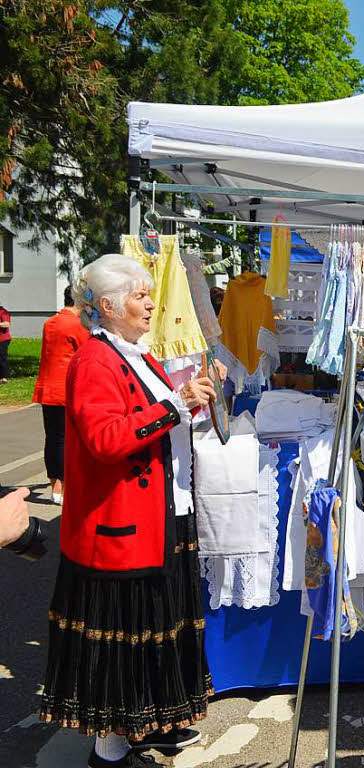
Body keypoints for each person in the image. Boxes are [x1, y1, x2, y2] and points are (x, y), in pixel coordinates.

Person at [38, 254, 223, 768]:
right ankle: (110, 750)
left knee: (156, 631)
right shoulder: (94, 361)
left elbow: (157, 420)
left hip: (161, 513)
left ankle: (148, 724)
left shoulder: (138, 354)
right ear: (108, 306)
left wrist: (195, 402)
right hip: (121, 525)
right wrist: (172, 407)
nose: (150, 304)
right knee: (125, 641)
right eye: (141, 296)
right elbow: (103, 439)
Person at [32, 286, 91, 504]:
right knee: (70, 440)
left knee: (54, 438)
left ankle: (55, 486)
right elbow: (88, 353)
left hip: (48, 388)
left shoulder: (51, 322)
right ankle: (67, 486)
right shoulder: (78, 325)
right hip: (68, 389)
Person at [0, 302, 11, 383]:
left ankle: (4, 377)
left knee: (2, 357)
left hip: (3, 339)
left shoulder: (3, 312)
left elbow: (6, 324)